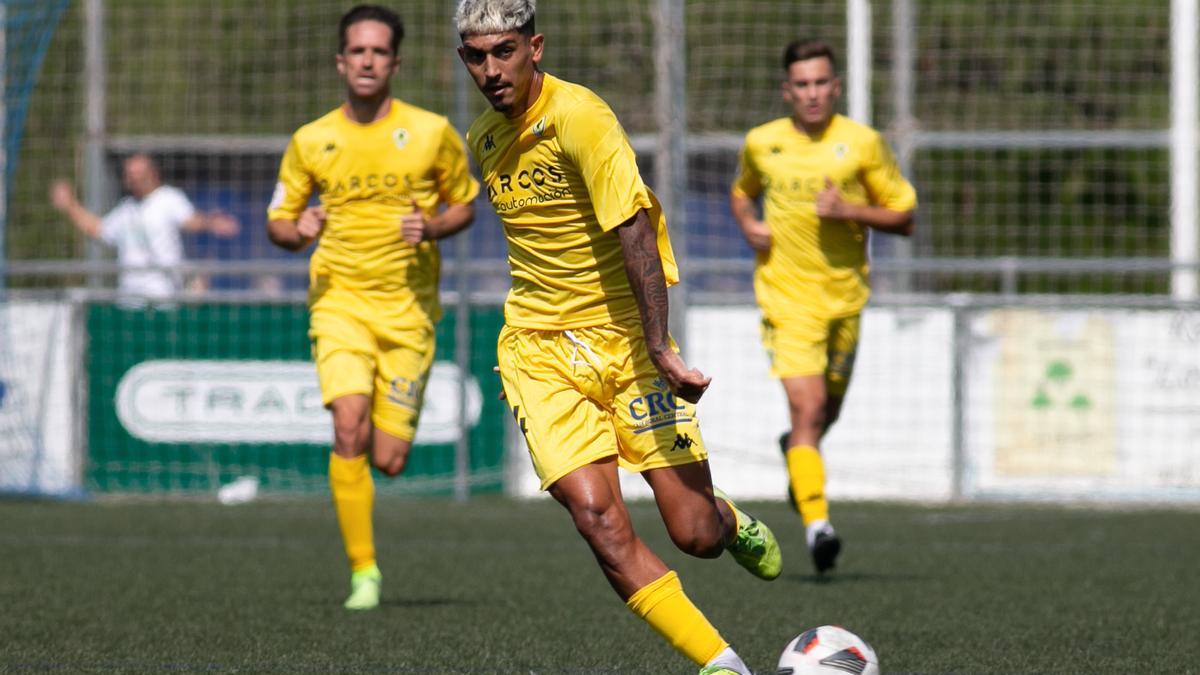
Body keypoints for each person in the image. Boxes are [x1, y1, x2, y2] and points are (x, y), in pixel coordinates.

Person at [455, 2, 779, 673]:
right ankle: (723, 664)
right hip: (538, 351)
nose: (490, 70)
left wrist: (660, 346)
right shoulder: (483, 137)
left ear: (535, 47)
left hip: (629, 347)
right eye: (476, 56)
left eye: (504, 51)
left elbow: (633, 228)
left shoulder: (582, 117)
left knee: (694, 534)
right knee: (599, 521)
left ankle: (729, 521)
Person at [266, 5, 478, 611]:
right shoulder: (311, 139)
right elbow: (277, 223)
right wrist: (299, 227)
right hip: (338, 305)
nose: (367, 60)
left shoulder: (432, 131)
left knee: (388, 459)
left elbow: (464, 204)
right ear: (341, 61)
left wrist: (432, 228)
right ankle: (364, 571)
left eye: (379, 51)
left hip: (408, 313)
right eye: (357, 51)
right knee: (348, 427)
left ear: (395, 63)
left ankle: (370, 536)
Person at [729, 39, 917, 575]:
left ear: (836, 87)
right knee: (808, 409)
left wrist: (849, 209)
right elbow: (740, 192)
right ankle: (818, 527)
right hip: (786, 301)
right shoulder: (762, 144)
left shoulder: (862, 144)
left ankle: (798, 454)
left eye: (821, 83)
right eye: (802, 84)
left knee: (822, 415)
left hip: (846, 300)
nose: (812, 94)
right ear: (787, 91)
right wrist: (748, 226)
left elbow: (905, 218)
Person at [49, 153, 239, 300]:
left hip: (162, 297)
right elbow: (99, 229)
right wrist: (71, 206)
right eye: (130, 175)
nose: (134, 179)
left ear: (153, 173)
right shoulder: (126, 209)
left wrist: (211, 222)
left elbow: (190, 220)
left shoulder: (168, 198)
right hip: (129, 297)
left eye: (139, 174)